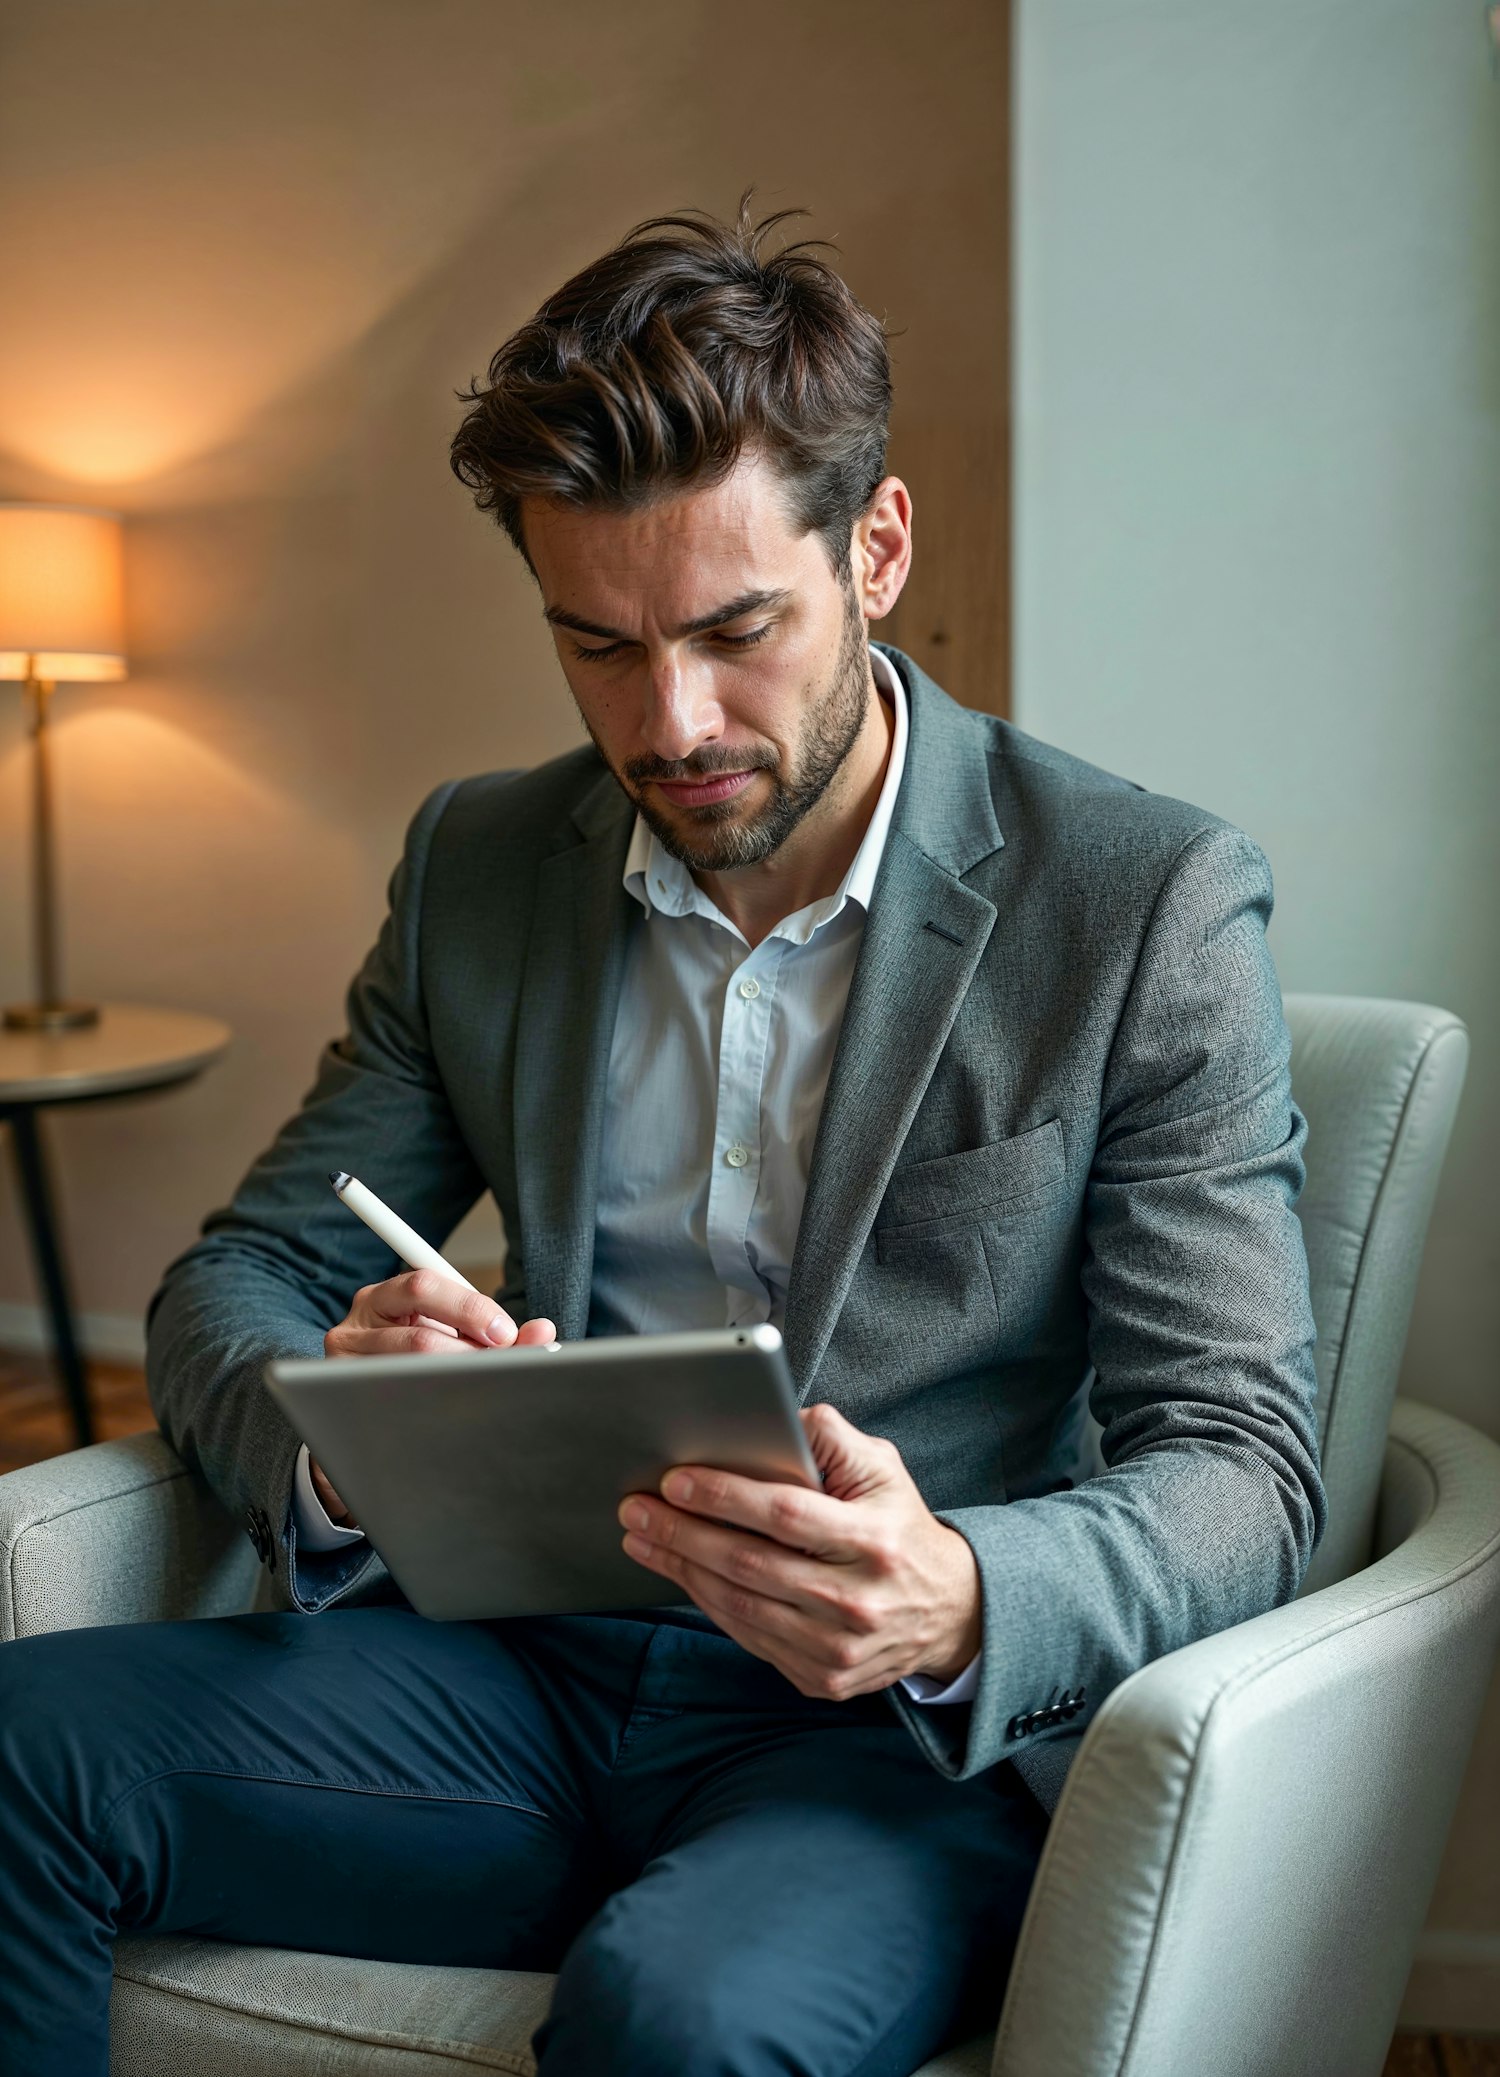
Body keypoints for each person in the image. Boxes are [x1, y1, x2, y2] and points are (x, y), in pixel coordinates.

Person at [0, 193, 1325, 2076]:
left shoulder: (1140, 899)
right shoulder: (481, 863)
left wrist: (958, 1591)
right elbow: (244, 1269)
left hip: (876, 1740)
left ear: (877, 546)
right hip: (501, 1676)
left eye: (734, 629)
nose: (673, 717)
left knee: (678, 2018)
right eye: (598, 647)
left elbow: (1243, 1466)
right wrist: (340, 1435)